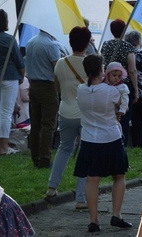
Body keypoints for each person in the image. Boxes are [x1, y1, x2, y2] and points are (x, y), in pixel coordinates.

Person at [74, 54, 132, 232]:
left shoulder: (81, 89)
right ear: (101, 70)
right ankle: (116, 214)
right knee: (119, 175)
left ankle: (94, 220)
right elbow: (121, 107)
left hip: (89, 137)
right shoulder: (111, 91)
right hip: (110, 136)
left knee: (92, 180)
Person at [46, 26, 90, 208]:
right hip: (86, 113)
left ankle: (51, 187)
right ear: (87, 43)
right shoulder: (92, 62)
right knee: (85, 154)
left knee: (64, 149)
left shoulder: (61, 63)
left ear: (70, 42)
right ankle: (81, 198)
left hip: (65, 111)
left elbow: (57, 88)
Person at [0, 9, 26, 156]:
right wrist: (22, 75)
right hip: (9, 77)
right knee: (6, 112)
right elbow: (19, 60)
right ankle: (4, 147)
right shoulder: (9, 39)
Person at [25, 28, 61, 168]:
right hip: (47, 85)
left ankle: (36, 157)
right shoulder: (51, 45)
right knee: (48, 124)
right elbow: (57, 69)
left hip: (33, 84)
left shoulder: (30, 42)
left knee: (35, 124)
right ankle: (45, 159)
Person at [100, 18, 138, 145]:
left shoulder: (105, 45)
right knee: (124, 116)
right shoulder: (128, 46)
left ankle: (108, 142)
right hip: (123, 84)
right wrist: (136, 90)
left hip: (107, 83)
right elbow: (132, 70)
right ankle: (122, 143)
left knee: (109, 115)